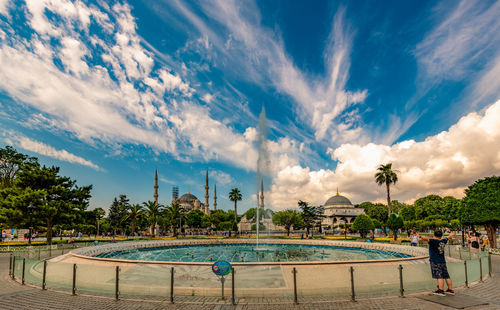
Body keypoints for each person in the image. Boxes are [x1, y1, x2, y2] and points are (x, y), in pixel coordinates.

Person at [418, 230, 455, 296]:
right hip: (442, 261)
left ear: (434, 235)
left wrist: (420, 236)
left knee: (439, 276)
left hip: (435, 261)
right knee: (446, 276)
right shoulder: (443, 241)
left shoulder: (433, 241)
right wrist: (451, 235)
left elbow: (426, 239)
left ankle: (441, 290)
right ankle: (450, 290)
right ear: (441, 236)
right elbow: (448, 237)